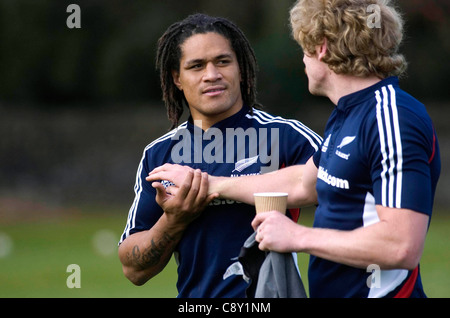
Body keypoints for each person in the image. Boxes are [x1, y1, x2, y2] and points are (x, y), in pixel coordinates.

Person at [147, 0, 441, 298]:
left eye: (304, 47)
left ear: (322, 47)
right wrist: (208, 184)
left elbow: (401, 245)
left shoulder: (390, 116)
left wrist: (297, 236)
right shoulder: (348, 115)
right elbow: (303, 182)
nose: (303, 60)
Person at [118, 13, 322, 298]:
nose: (212, 75)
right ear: (177, 78)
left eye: (223, 61)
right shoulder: (161, 155)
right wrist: (175, 219)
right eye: (196, 66)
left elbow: (341, 191)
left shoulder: (287, 137)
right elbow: (133, 269)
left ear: (239, 68)